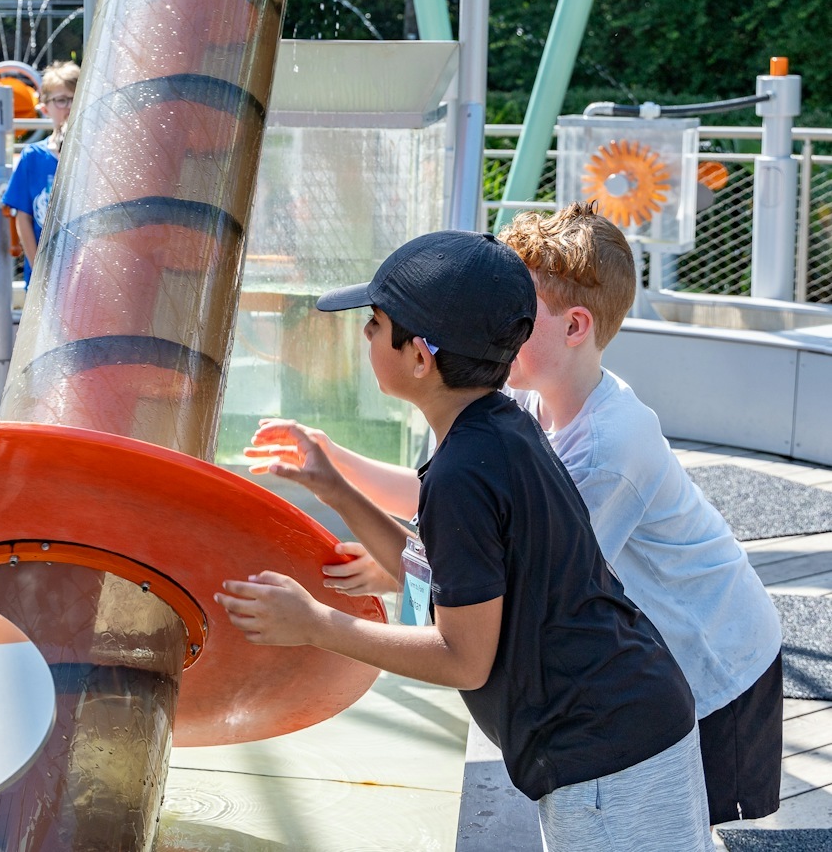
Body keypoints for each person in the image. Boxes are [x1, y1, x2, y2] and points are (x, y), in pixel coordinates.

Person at [217, 231, 714, 851]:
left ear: (421, 357)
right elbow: (440, 574)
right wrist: (335, 488)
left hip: (606, 760)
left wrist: (317, 624)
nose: (366, 335)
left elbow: (463, 656)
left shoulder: (466, 469)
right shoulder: (495, 427)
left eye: (375, 322)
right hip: (625, 722)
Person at [302, 204, 784, 827]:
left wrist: (408, 566)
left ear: (574, 325)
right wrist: (339, 471)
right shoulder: (521, 406)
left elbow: (523, 579)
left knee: (687, 823)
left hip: (714, 660)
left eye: (514, 311)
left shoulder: (608, 449)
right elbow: (468, 516)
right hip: (641, 674)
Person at [1, 61, 79, 286]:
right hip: (44, 273)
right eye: (61, 100)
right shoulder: (33, 156)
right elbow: (23, 217)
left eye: (76, 98)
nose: (70, 107)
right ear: (44, 108)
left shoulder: (96, 157)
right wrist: (38, 272)